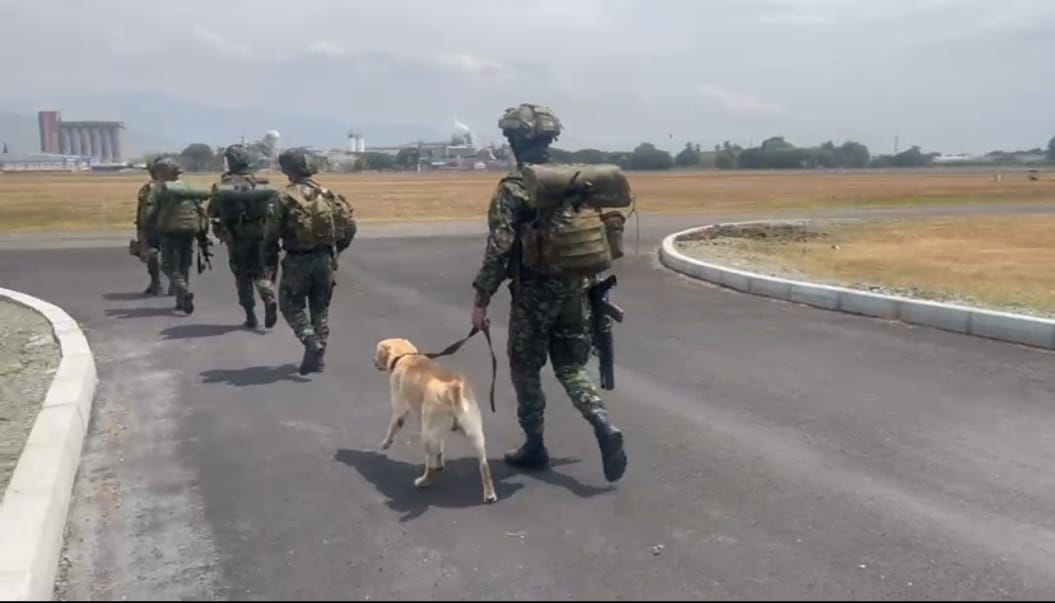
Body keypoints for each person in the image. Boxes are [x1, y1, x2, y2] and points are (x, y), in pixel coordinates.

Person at [469, 103, 628, 483]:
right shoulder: (576, 180)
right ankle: (603, 423)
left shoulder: (515, 187)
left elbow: (500, 247)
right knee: (571, 367)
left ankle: (534, 445)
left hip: (534, 294)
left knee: (526, 369)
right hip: (577, 289)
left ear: (514, 141)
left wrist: (481, 298)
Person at [262, 149, 356, 374]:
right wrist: (336, 252)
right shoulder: (328, 195)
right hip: (324, 260)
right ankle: (319, 356)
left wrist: (269, 264)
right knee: (320, 309)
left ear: (287, 170)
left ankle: (309, 340)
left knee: (289, 304)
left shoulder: (283, 198)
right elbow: (350, 227)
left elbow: (270, 236)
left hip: (297, 260)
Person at [207, 144, 279, 329]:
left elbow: (211, 211)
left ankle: (250, 316)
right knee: (260, 272)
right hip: (261, 235)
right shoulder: (262, 185)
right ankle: (268, 296)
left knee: (242, 276)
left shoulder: (224, 186)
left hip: (237, 238)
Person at [140, 157, 211, 314]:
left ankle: (183, 291)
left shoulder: (159, 189)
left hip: (169, 232)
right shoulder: (188, 188)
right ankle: (180, 300)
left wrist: (146, 229)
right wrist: (202, 236)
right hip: (189, 232)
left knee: (168, 266)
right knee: (184, 266)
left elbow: (149, 213)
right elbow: (200, 211)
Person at [132, 161, 173, 296]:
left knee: (151, 254)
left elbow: (144, 210)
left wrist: (142, 230)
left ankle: (157, 283)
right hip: (174, 226)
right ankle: (175, 284)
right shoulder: (177, 187)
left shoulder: (149, 188)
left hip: (154, 227)